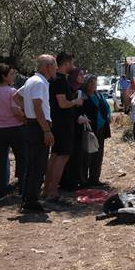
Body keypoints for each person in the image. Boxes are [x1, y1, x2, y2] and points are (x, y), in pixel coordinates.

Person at [15, 54, 56, 213]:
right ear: (47, 67)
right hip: (39, 127)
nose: (56, 68)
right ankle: (31, 202)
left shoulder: (31, 80)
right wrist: (46, 130)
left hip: (33, 125)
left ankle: (28, 199)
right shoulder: (39, 83)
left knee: (32, 165)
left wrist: (27, 113)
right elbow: (38, 107)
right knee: (38, 166)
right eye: (54, 65)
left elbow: (16, 96)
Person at [44, 52, 84, 205]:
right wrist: (75, 101)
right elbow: (62, 103)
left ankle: (47, 189)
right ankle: (53, 191)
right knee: (62, 157)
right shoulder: (60, 81)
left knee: (54, 156)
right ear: (66, 63)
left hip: (56, 123)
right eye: (71, 63)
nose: (73, 66)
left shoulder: (54, 80)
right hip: (63, 125)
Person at [0, 65, 28, 199]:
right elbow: (16, 111)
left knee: (0, 163)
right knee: (22, 160)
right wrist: (26, 120)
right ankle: (23, 190)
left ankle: (0, 193)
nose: (13, 76)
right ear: (4, 77)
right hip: (15, 129)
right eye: (11, 74)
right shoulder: (12, 91)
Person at [80, 74, 111, 187]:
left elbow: (107, 107)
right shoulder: (83, 96)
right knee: (87, 154)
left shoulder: (98, 95)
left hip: (101, 128)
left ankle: (94, 178)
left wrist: (108, 116)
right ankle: (83, 180)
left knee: (98, 154)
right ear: (86, 84)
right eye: (91, 83)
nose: (94, 85)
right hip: (89, 129)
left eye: (95, 83)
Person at [62, 66, 89, 191]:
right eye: (80, 75)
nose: (82, 77)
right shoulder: (69, 89)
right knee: (69, 154)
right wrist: (77, 117)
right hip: (69, 125)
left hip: (79, 127)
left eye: (83, 75)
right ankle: (68, 181)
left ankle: (77, 179)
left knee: (78, 153)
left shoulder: (79, 89)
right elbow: (66, 108)